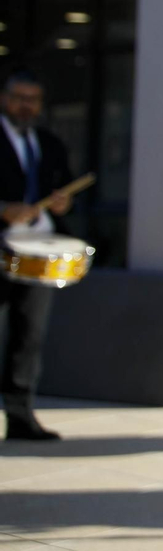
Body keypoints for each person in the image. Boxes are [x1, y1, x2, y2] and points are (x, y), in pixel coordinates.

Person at [0, 70, 76, 441]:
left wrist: (63, 202)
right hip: (2, 242)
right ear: (4, 99)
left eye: (32, 100)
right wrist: (3, 209)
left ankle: (20, 416)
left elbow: (66, 187)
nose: (25, 106)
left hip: (38, 253)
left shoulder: (49, 143)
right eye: (19, 98)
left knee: (29, 335)